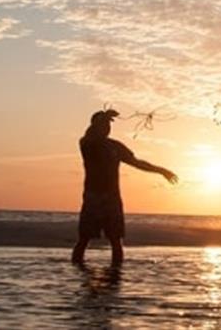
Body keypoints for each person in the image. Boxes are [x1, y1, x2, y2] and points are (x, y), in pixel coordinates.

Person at [71, 109, 178, 266]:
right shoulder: (87, 143)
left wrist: (161, 171)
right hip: (92, 198)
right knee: (84, 239)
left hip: (112, 199)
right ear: (94, 125)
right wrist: (103, 116)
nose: (107, 127)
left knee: (116, 240)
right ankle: (77, 270)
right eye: (103, 124)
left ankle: (115, 273)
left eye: (108, 124)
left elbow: (137, 163)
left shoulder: (115, 146)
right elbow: (90, 137)